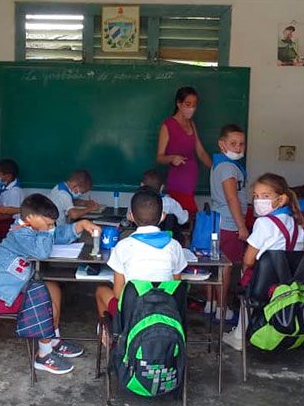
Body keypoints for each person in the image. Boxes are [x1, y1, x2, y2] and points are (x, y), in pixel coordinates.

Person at [0, 194, 101, 374]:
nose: (50, 229)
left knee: (52, 287)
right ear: (30, 218)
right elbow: (42, 252)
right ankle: (43, 356)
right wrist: (45, 230)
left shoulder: (32, 227)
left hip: (10, 286)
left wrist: (80, 225)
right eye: (48, 225)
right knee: (47, 303)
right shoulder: (19, 233)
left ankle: (53, 340)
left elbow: (56, 235)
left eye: (51, 225)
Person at [223, 172, 304, 350]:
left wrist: (246, 271)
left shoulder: (264, 224)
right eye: (256, 196)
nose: (258, 201)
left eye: (265, 196)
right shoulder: (298, 226)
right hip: (290, 288)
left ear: (281, 199)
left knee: (246, 278)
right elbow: (303, 252)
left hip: (263, 289)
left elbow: (248, 259)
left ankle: (239, 335)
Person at [95, 188, 187, 329]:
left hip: (132, 316)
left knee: (101, 291)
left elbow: (118, 294)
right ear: (163, 216)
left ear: (131, 217)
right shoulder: (175, 246)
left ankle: (114, 339)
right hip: (166, 314)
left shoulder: (123, 246)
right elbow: (175, 286)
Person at [207, 124, 248, 324]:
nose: (239, 148)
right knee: (225, 268)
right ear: (222, 144)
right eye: (233, 143)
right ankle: (222, 310)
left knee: (215, 264)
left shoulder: (219, 163)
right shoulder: (228, 168)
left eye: (242, 143)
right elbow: (232, 199)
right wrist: (242, 226)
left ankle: (211, 305)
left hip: (218, 220)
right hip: (230, 224)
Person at [156, 86, 212, 217]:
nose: (191, 108)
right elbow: (159, 157)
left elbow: (201, 152)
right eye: (188, 104)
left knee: (187, 217)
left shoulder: (191, 123)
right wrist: (171, 158)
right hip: (178, 182)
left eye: (194, 105)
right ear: (179, 103)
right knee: (189, 216)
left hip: (191, 181)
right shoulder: (167, 125)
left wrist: (216, 169)